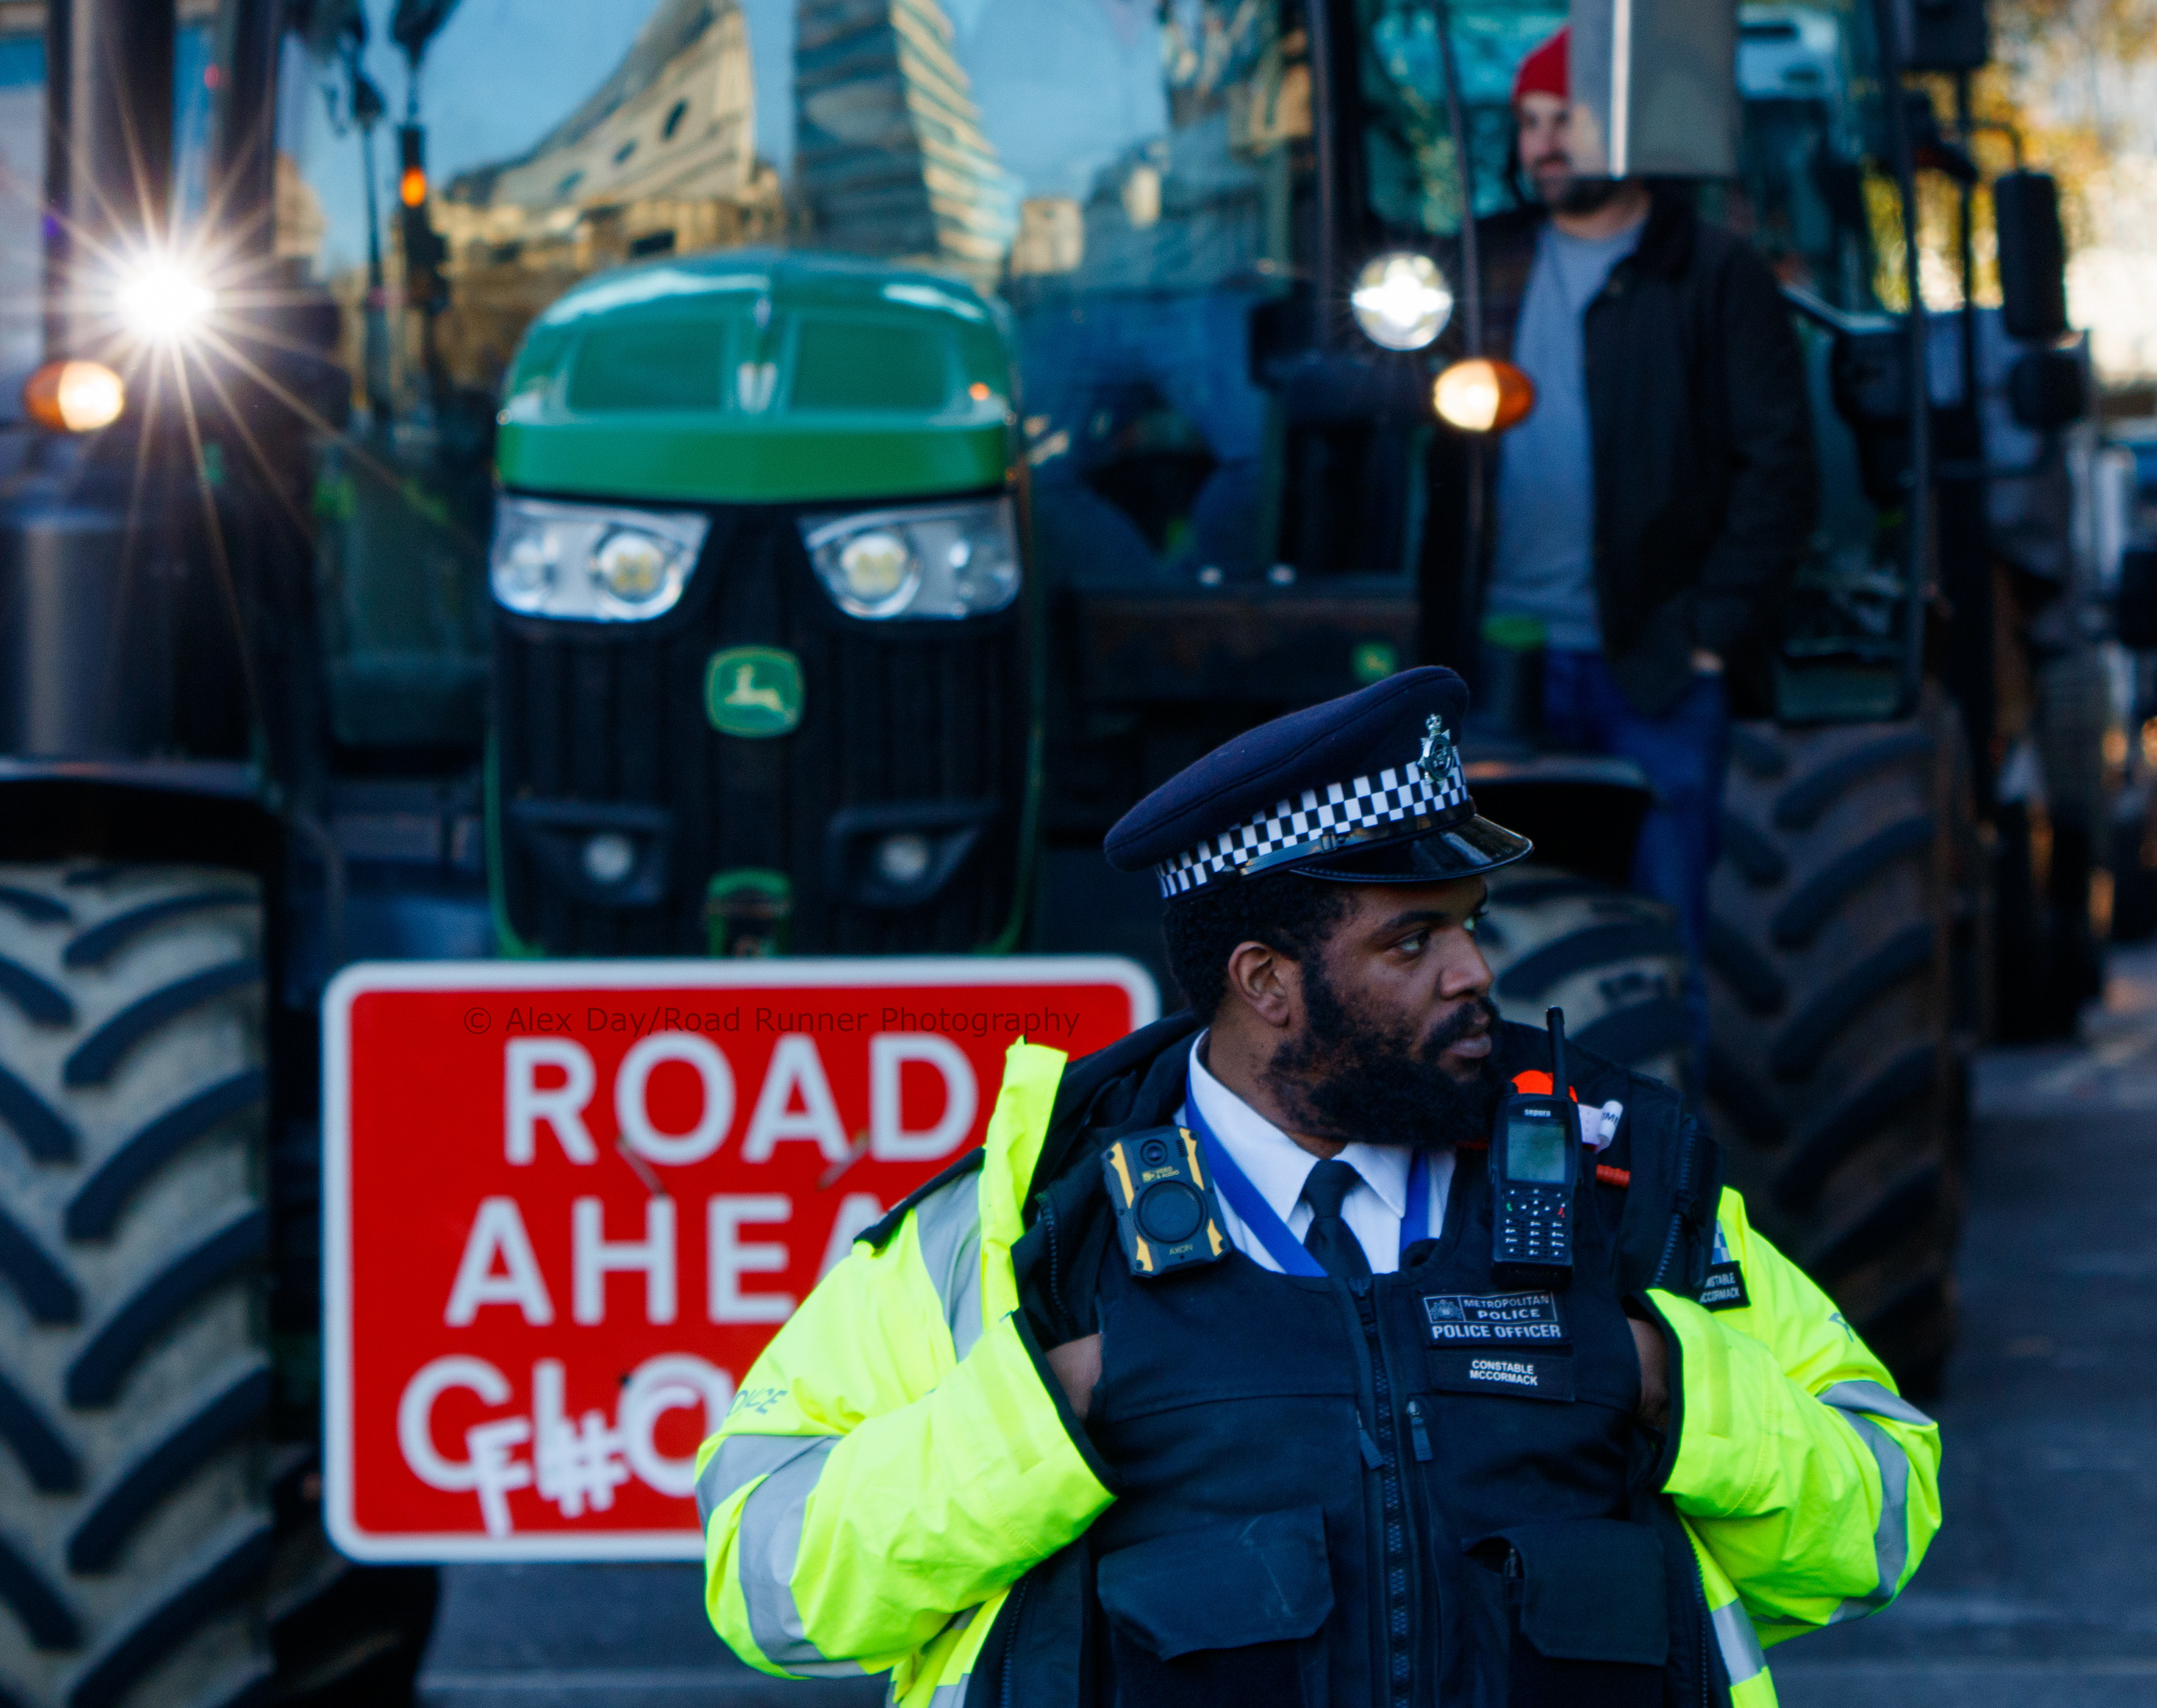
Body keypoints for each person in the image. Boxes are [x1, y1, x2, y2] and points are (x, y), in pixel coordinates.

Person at [698, 666, 1939, 1708]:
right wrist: (1046, 1414)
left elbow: (1882, 1515)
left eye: (1470, 922)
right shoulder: (1022, 1231)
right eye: (1412, 940)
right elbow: (771, 1578)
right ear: (1266, 982)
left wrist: (1675, 1387)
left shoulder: (1621, 1189)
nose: (1474, 973)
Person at [1482, 27, 1818, 1049]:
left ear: (1623, 128)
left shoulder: (1712, 275)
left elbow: (1779, 468)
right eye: (1529, 125)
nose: (1543, 148)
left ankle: (1656, 1193)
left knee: (1662, 956)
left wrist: (1707, 632)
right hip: (1501, 664)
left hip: (1655, 670)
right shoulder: (1478, 260)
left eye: (1564, 124)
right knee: (1469, 951)